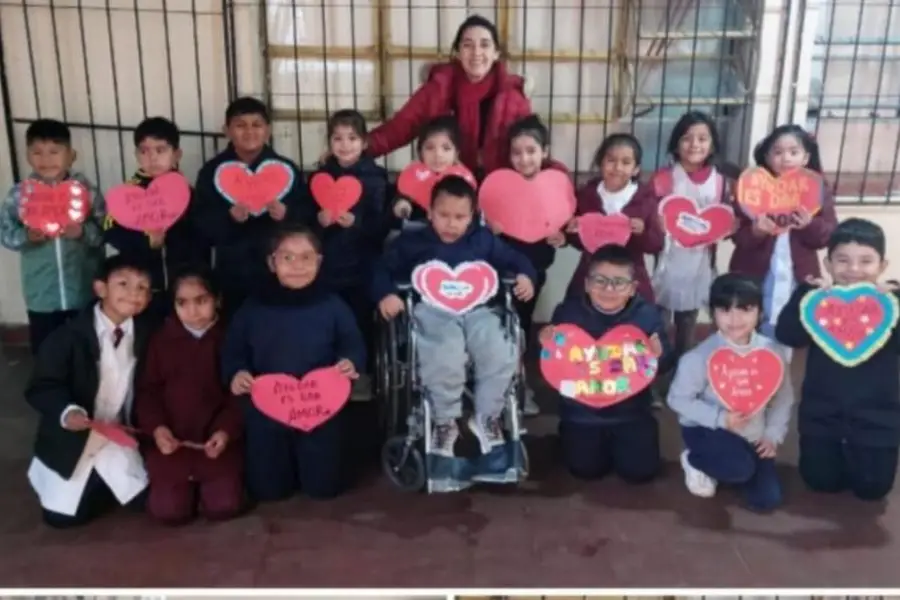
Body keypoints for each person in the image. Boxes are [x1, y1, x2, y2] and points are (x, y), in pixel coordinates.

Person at [373, 175, 536, 458]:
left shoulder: (482, 240)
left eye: (460, 217)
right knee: (445, 354)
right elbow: (379, 269)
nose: (451, 223)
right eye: (444, 215)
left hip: (477, 310)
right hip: (432, 311)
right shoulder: (413, 242)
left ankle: (487, 417)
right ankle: (445, 420)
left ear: (472, 216)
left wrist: (526, 276)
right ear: (430, 212)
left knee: (501, 350)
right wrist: (386, 293)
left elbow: (515, 259)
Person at [222, 224, 365, 502]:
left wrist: (349, 362)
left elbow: (352, 342)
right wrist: (237, 373)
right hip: (267, 407)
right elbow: (233, 350)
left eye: (306, 257)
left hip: (320, 405)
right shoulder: (253, 307)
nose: (297, 265)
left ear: (319, 262)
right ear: (271, 262)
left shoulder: (332, 304)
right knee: (268, 491)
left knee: (324, 488)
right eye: (287, 257)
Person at [24, 255, 154, 528]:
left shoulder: (148, 333)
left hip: (119, 432)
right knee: (62, 518)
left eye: (143, 287)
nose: (134, 293)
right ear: (100, 288)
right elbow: (42, 386)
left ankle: (104, 479)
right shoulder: (68, 337)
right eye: (123, 284)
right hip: (76, 433)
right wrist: (67, 411)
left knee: (145, 502)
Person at [776, 218, 900, 501]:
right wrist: (805, 296)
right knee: (820, 482)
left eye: (866, 261)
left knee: (873, 490)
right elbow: (788, 335)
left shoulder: (890, 305)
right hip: (822, 414)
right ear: (828, 264)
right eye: (842, 260)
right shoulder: (818, 302)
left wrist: (896, 303)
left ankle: (863, 454)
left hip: (878, 418)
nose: (854, 270)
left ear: (882, 266)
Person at [542, 244, 672, 483]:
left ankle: (634, 437)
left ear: (633, 289)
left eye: (619, 282)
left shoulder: (647, 315)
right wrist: (547, 345)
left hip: (630, 411)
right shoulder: (568, 313)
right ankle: (570, 433)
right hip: (581, 412)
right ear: (587, 284)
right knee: (586, 470)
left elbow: (663, 365)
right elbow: (558, 364)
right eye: (600, 280)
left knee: (640, 473)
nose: (609, 289)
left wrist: (659, 355)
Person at [667, 273, 794, 511]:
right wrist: (719, 418)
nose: (735, 319)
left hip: (753, 433)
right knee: (739, 469)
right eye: (725, 310)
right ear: (712, 312)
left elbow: (783, 399)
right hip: (706, 429)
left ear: (759, 312)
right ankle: (694, 460)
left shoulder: (772, 354)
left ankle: (736, 462)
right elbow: (678, 399)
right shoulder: (699, 357)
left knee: (766, 500)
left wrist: (772, 435)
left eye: (745, 309)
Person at [134, 265, 245, 525]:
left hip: (218, 442)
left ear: (217, 300)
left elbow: (240, 395)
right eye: (182, 303)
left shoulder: (231, 338)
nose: (192, 311)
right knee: (169, 512)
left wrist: (225, 431)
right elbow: (147, 391)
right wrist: (158, 429)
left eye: (201, 301)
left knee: (224, 506)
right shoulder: (160, 340)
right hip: (172, 442)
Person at [192, 97, 313, 320]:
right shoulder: (211, 172)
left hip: (279, 270)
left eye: (256, 125)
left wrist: (288, 215)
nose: (249, 132)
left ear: (268, 130)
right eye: (240, 125)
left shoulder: (286, 170)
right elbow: (200, 223)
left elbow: (308, 216)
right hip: (233, 272)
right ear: (226, 130)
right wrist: (228, 218)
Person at [366, 15, 532, 177]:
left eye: (485, 45)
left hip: (499, 185)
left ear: (496, 53)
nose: (476, 52)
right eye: (468, 45)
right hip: (445, 184)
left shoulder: (513, 95)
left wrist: (554, 174)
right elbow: (400, 128)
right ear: (458, 53)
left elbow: (532, 143)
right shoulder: (439, 88)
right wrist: (356, 148)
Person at [0, 119, 106, 355]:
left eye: (54, 152)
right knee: (47, 352)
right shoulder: (20, 195)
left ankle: (84, 390)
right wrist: (25, 236)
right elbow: (4, 231)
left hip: (82, 290)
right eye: (37, 152)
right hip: (41, 295)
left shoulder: (87, 191)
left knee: (85, 350)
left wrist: (83, 232)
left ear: (71, 156)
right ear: (28, 156)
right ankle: (49, 390)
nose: (46, 160)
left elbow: (105, 229)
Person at [490, 114, 570, 416]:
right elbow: (482, 224)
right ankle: (498, 385)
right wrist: (492, 227)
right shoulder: (498, 186)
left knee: (521, 326)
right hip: (500, 272)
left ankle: (520, 386)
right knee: (498, 327)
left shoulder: (554, 186)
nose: (524, 159)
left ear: (544, 152)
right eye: (516, 152)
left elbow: (565, 222)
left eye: (531, 151)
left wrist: (562, 237)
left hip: (535, 271)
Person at [730, 124, 838, 337]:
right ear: (767, 157)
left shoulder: (817, 189)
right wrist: (756, 232)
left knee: (793, 329)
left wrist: (809, 225)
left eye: (793, 152)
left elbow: (828, 235)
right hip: (755, 273)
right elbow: (737, 235)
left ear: (806, 157)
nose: (786, 158)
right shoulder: (751, 187)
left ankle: (786, 367)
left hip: (798, 275)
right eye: (778, 152)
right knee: (751, 327)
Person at [313, 109, 389, 390]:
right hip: (328, 262)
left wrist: (357, 223)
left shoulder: (376, 177)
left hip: (363, 262)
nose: (345, 145)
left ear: (365, 142)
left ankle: (361, 372)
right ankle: (328, 373)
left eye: (352, 138)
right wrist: (319, 221)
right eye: (337, 138)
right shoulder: (320, 176)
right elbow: (307, 221)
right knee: (328, 316)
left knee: (359, 319)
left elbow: (382, 224)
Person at [104, 116, 208, 322]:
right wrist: (147, 243)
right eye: (144, 151)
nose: (152, 158)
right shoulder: (126, 195)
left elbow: (204, 234)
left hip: (184, 285)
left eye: (160, 150)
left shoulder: (189, 194)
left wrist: (171, 239)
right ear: (136, 155)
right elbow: (111, 232)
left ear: (176, 154)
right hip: (142, 289)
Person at [651, 111, 735, 362]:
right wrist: (656, 224)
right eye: (687, 138)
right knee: (660, 319)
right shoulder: (663, 179)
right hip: (667, 260)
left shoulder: (721, 182)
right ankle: (659, 372)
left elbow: (727, 219)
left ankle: (684, 371)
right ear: (676, 143)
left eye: (702, 138)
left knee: (689, 320)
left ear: (712, 145)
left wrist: (730, 226)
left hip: (701, 261)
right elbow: (650, 216)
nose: (695, 144)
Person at [565, 133, 664, 303]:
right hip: (591, 274)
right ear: (600, 162)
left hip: (631, 276)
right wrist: (573, 232)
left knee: (634, 323)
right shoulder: (586, 195)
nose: (617, 167)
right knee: (580, 318)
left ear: (636, 169)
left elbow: (656, 243)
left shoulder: (645, 200)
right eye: (611, 160)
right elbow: (578, 242)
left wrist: (642, 232)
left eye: (626, 162)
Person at [391, 116, 474, 230]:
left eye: (446, 148)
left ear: (456, 153)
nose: (438, 154)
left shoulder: (463, 179)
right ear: (420, 152)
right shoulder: (411, 176)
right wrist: (401, 205)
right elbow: (400, 197)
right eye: (430, 148)